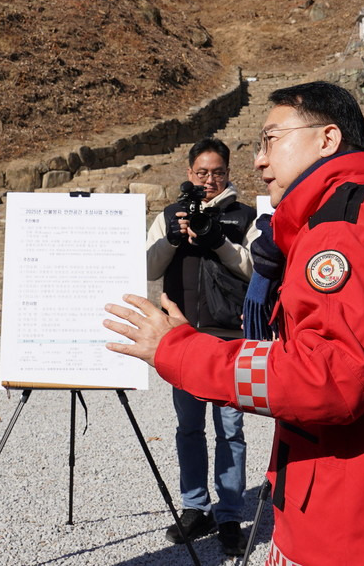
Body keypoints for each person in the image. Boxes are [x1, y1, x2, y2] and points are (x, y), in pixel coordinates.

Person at [107, 81, 364, 565]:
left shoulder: (342, 231)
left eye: (271, 140)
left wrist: (178, 350)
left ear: (327, 139)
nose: (260, 161)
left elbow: (331, 378)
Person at [144, 138, 255, 556]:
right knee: (189, 427)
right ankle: (195, 508)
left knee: (231, 430)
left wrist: (218, 241)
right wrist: (172, 238)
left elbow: (255, 268)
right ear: (190, 173)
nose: (210, 180)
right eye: (202, 173)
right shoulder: (169, 215)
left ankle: (229, 515)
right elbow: (148, 267)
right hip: (183, 336)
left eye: (218, 172)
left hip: (229, 338)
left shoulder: (245, 216)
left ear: (228, 173)